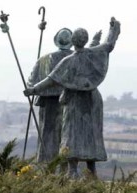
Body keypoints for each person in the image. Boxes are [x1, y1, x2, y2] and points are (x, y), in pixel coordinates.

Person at [24, 17, 121, 178]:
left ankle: (73, 171)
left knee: (72, 134)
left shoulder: (68, 61)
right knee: (91, 134)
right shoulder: (94, 53)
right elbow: (109, 44)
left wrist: (33, 89)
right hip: (92, 99)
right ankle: (91, 171)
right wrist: (114, 28)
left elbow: (50, 80)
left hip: (75, 100)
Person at [27, 28, 73, 164]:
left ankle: (45, 164)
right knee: (67, 136)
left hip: (49, 104)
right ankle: (66, 167)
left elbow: (31, 83)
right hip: (70, 103)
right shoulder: (76, 59)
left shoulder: (44, 60)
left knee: (47, 135)